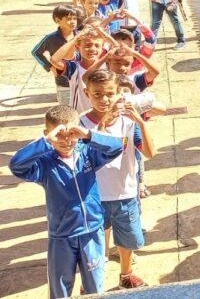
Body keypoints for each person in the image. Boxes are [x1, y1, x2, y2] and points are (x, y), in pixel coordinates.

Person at [9, 105, 123, 299]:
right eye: (59, 135)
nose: (66, 140)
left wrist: (88, 135)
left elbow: (117, 147)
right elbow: (16, 165)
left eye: (71, 134)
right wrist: (45, 142)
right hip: (62, 236)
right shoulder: (44, 164)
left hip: (92, 232)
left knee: (96, 287)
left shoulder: (87, 153)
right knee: (60, 289)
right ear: (48, 134)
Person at [78, 69, 156, 289]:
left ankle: (126, 273)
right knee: (95, 241)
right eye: (97, 94)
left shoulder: (129, 122)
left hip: (125, 191)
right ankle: (94, 277)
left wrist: (141, 122)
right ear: (87, 93)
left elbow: (150, 153)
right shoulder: (82, 124)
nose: (104, 99)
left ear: (119, 94)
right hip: (93, 195)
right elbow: (88, 157)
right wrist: (103, 124)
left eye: (109, 94)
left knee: (126, 239)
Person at [50, 24, 118, 112]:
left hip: (102, 115)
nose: (92, 49)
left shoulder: (107, 66)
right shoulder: (74, 67)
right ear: (78, 47)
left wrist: (102, 33)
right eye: (87, 45)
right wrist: (77, 37)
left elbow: (117, 47)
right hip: (79, 116)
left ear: (102, 48)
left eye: (97, 46)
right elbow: (54, 60)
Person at [32, 5, 79, 105]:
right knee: (66, 110)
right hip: (64, 82)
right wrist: (50, 67)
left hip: (81, 80)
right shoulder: (51, 38)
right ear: (58, 20)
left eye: (75, 18)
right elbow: (36, 52)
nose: (73, 22)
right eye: (68, 19)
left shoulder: (80, 35)